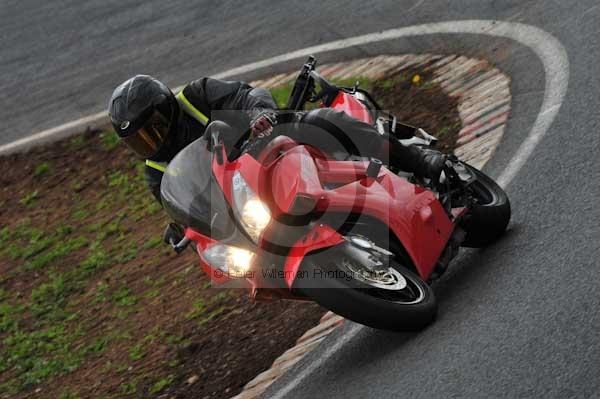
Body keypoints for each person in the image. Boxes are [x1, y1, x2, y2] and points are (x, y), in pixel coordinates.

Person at [107, 75, 446, 206]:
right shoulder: (156, 171)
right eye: (138, 141)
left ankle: (418, 162)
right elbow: (180, 207)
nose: (149, 143)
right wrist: (185, 230)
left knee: (322, 122)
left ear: (166, 109)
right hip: (245, 192)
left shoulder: (196, 95)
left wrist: (257, 115)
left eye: (151, 129)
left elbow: (249, 93)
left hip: (269, 142)